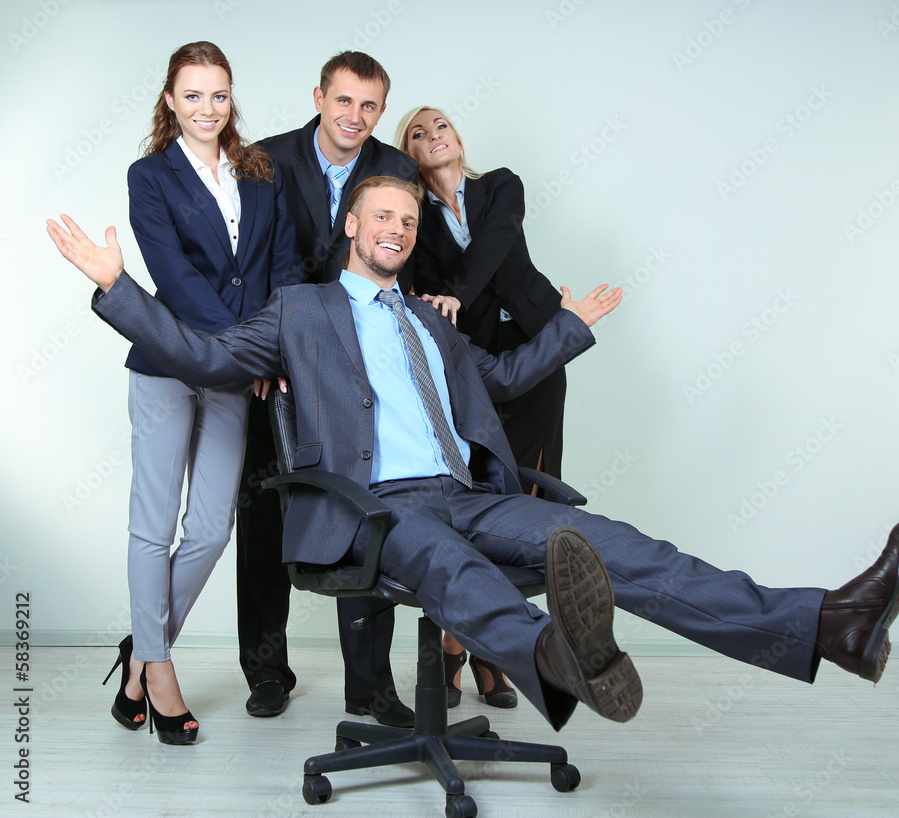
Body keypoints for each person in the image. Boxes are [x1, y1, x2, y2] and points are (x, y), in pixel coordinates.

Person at [48, 175, 899, 734]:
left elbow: (501, 379)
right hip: (370, 510)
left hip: (467, 493)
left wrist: (569, 326)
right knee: (441, 558)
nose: (396, 228)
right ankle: (555, 661)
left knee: (623, 547)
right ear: (352, 224)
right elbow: (204, 358)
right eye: (382, 216)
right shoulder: (299, 311)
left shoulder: (431, 322)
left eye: (408, 220)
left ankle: (829, 626)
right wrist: (117, 288)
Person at [99, 41, 303, 745]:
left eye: (218, 94)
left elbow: (281, 268)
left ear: (231, 98)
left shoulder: (261, 172)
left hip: (237, 372)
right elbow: (174, 277)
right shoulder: (150, 176)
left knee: (213, 528)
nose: (207, 108)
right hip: (167, 362)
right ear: (170, 101)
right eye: (192, 95)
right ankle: (158, 671)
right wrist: (242, 348)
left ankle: (139, 653)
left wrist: (265, 347)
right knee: (153, 528)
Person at [234, 52, 426, 725]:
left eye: (369, 106)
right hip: (278, 364)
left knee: (369, 509)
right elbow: (247, 259)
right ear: (319, 97)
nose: (355, 116)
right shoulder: (263, 160)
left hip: (358, 367)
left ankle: (370, 686)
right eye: (344, 101)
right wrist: (269, 347)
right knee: (265, 514)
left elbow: (398, 258)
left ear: (382, 111)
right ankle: (266, 672)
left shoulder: (396, 167)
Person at [394, 107, 572, 709]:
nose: (433, 136)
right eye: (418, 133)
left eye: (440, 125)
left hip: (537, 349)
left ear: (458, 136)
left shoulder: (500, 185)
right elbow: (418, 285)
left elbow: (496, 244)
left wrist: (455, 293)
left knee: (527, 499)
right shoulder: (415, 216)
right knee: (477, 498)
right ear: (410, 153)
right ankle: (456, 643)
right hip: (476, 366)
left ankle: (494, 653)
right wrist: (437, 299)